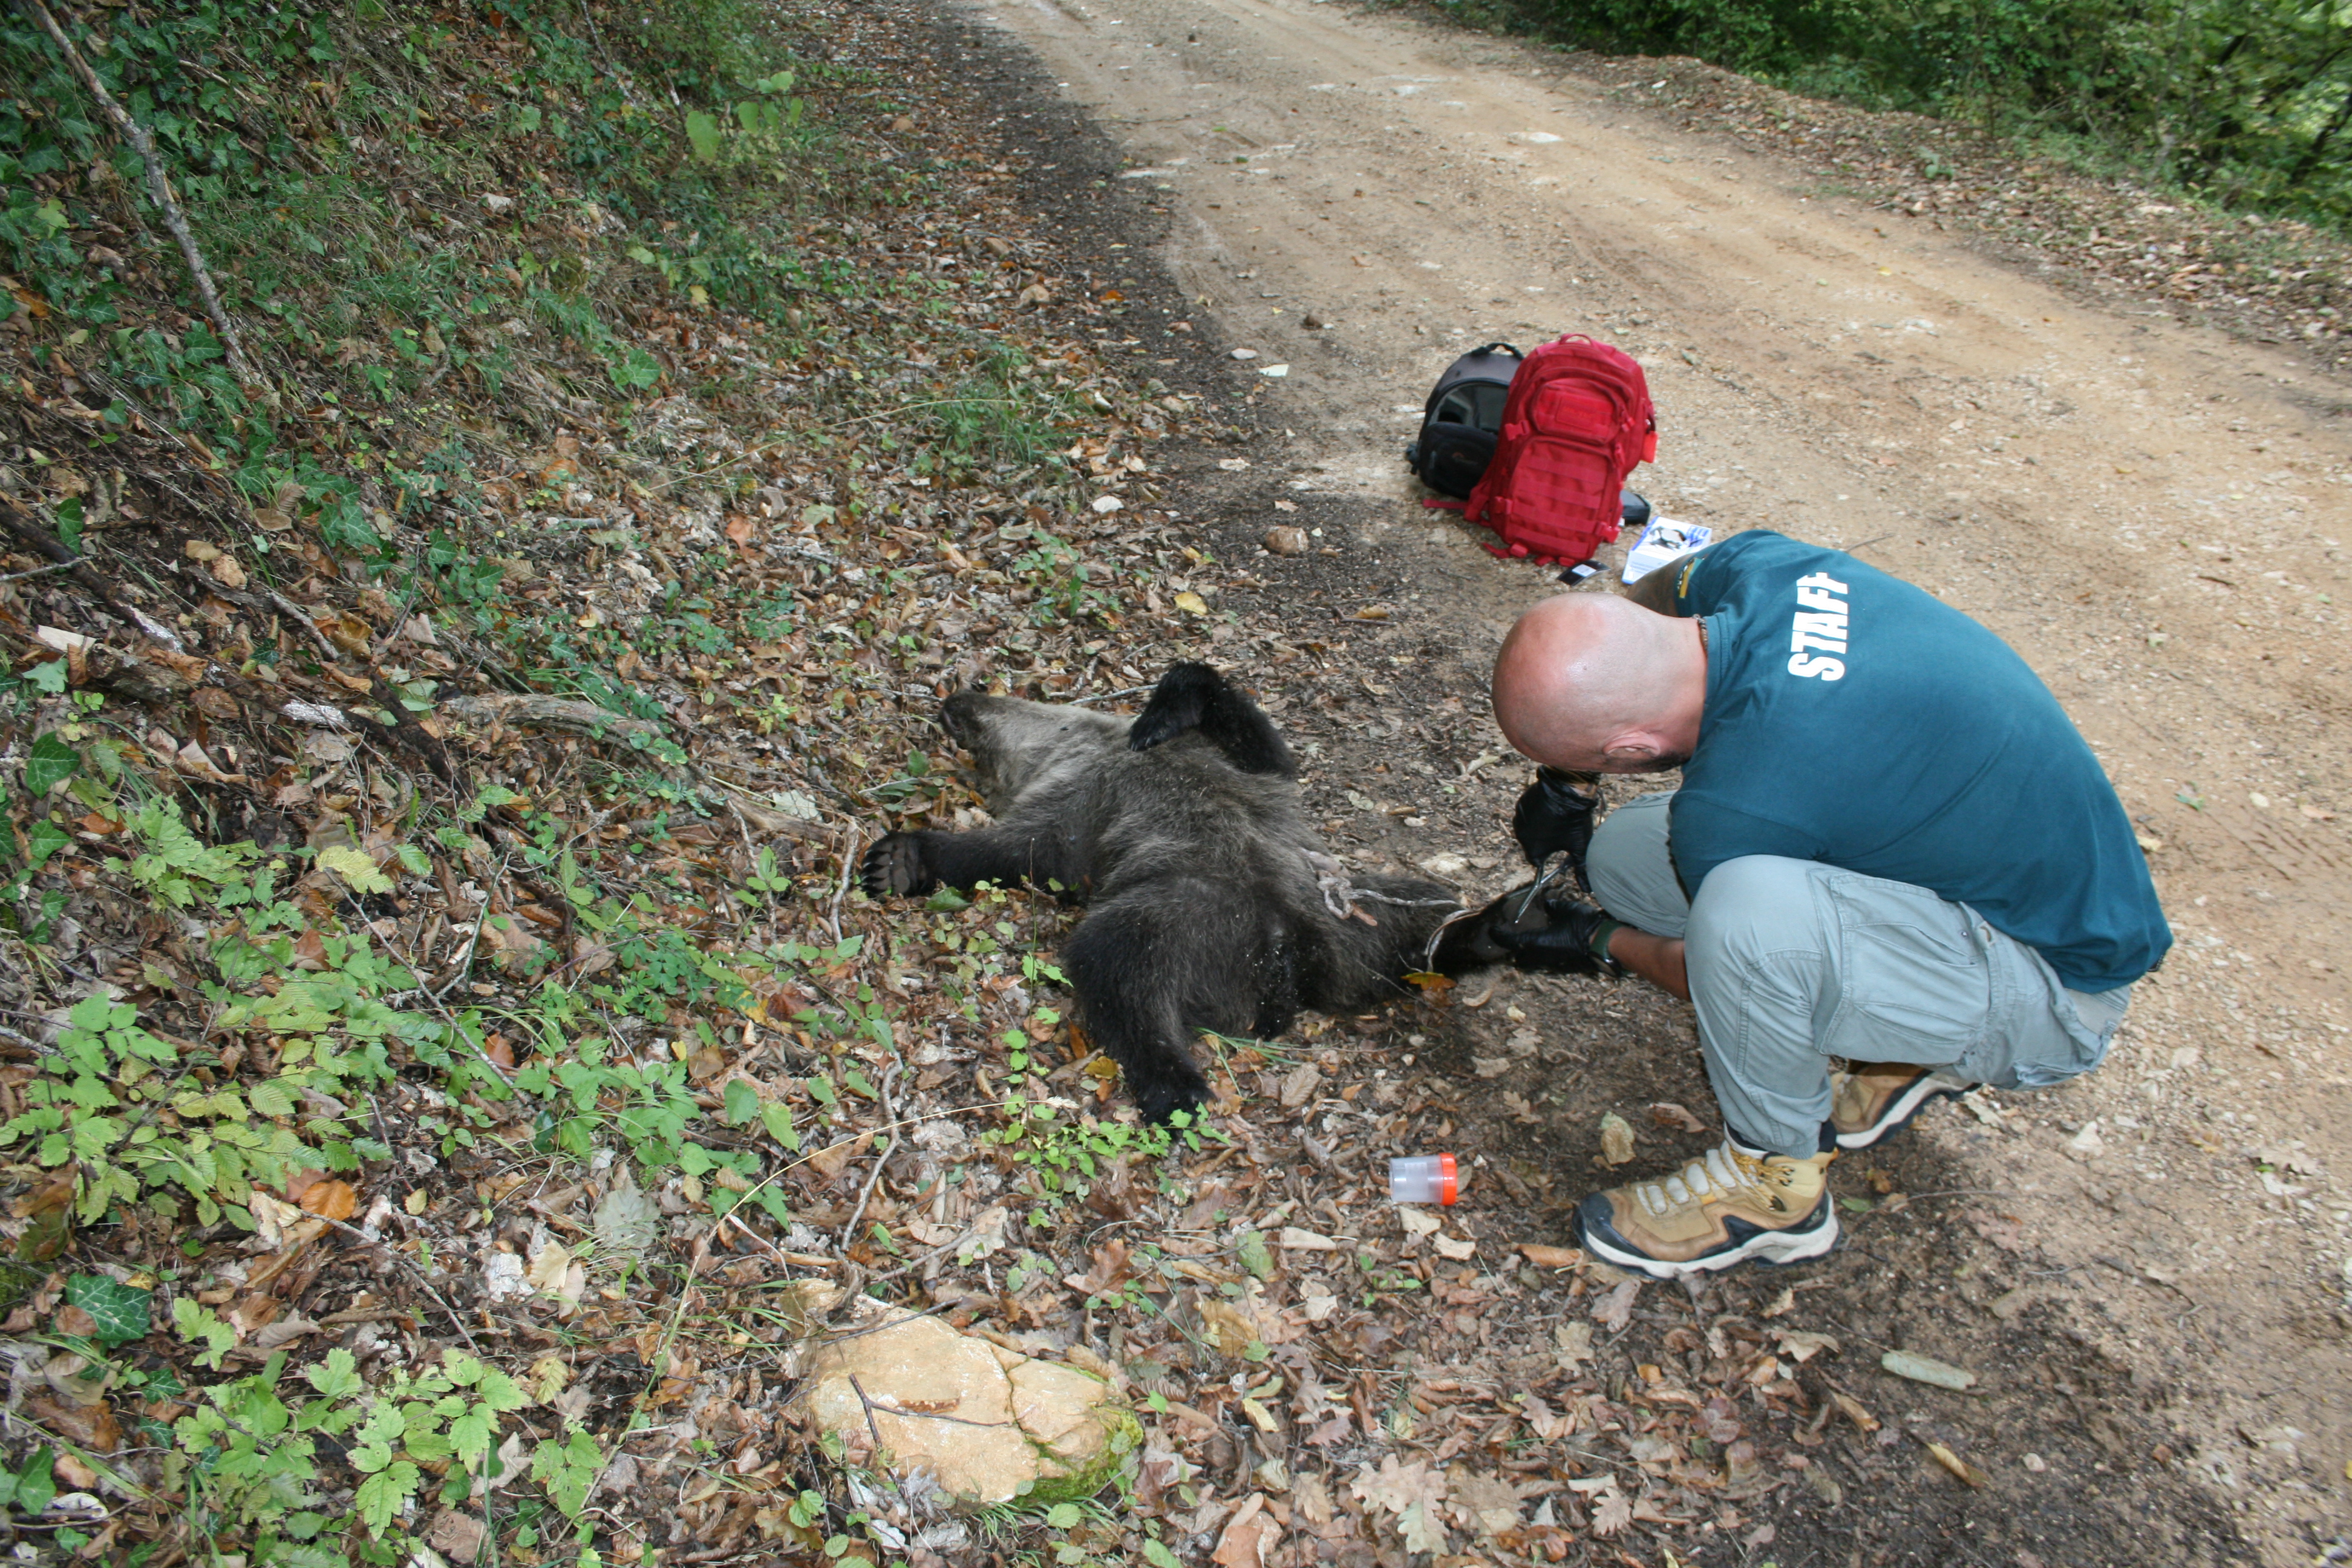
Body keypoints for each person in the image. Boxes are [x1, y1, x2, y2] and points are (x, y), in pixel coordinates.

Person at [1467, 530, 2170, 1280]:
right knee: (1625, 855)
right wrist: (1569, 776)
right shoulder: (1759, 568)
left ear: (1634, 750)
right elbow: (1640, 604)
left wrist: (1598, 940)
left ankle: (1776, 1188)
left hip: (2062, 991)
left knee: (1745, 918)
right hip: (1998, 890)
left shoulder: (1741, 812)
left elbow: (1720, 969)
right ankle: (1906, 1040)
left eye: (1599, 762)